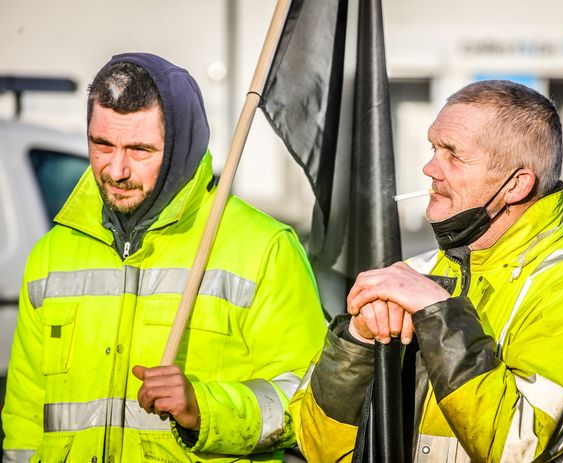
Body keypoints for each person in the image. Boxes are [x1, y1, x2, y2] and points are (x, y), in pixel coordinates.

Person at [291, 80, 563, 462]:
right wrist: (357, 341)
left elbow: (516, 448)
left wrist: (439, 315)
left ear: (515, 185)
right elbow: (317, 447)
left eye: (453, 154)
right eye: (434, 147)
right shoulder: (418, 273)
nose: (430, 167)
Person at [2, 52, 327, 463]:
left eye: (139, 149)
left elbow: (311, 402)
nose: (116, 169)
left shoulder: (264, 248)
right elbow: (24, 418)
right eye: (102, 144)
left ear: (180, 148)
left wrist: (204, 409)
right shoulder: (51, 254)